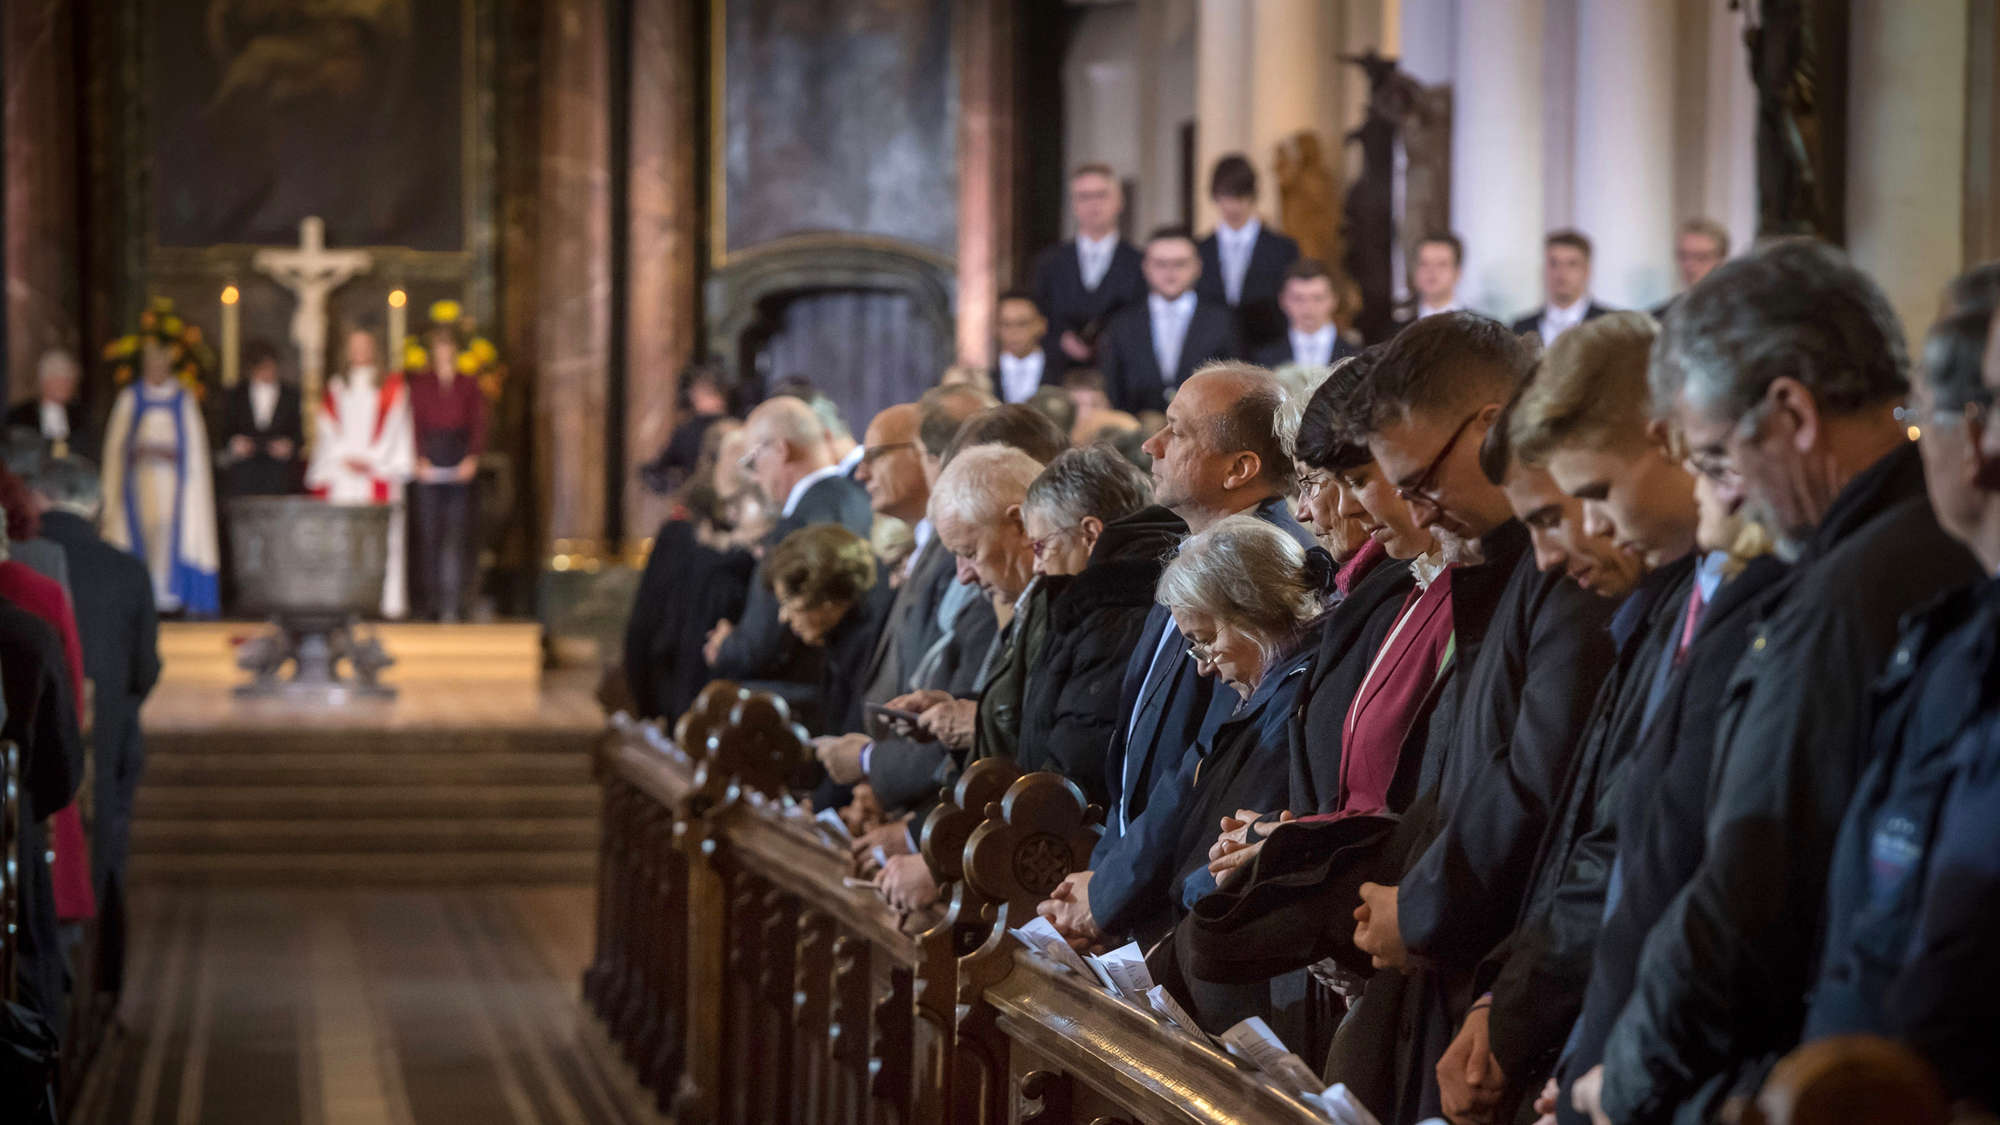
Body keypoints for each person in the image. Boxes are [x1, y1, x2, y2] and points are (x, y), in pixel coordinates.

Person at [1583, 240, 1982, 1125]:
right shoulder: (1926, 538)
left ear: (1793, 412)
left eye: (1721, 459)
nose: (1729, 497)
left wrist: (1624, 1079)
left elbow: (1752, 890)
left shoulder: (1847, 591)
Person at [1313, 312, 1617, 1125]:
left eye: (1420, 482)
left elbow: (1546, 787)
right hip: (1473, 966)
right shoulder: (1501, 562)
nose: (1414, 510)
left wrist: (1423, 908)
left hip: (1515, 978)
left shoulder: (1564, 565)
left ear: (1489, 426)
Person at [1429, 314, 1697, 1123]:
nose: (1556, 551)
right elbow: (1594, 838)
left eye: (1572, 505)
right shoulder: (1653, 603)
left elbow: (1654, 860)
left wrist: (1594, 1046)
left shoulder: (1658, 601)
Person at [1796, 290, 2000, 1110]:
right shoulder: (1957, 627)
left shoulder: (1874, 590)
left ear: (1974, 438)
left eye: (1927, 414)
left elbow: (1957, 934)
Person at [1037, 362, 1312, 947]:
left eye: (1177, 431)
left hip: (1186, 911)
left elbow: (1208, 762)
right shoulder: (1197, 549)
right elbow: (1139, 752)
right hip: (1138, 893)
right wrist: (1102, 875)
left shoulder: (1262, 568)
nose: (1151, 445)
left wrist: (1110, 892)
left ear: (1240, 468)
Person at [34, 455, 161, 1003]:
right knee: (105, 856)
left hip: (37, 751)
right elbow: (145, 668)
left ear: (40, 499)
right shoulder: (126, 569)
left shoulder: (27, 566)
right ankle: (105, 992)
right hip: (105, 739)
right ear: (96, 504)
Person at [1016, 444, 1164, 807]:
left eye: (1040, 546)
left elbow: (1082, 759)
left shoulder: (1115, 614)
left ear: (1089, 533)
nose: (1037, 567)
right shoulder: (1092, 603)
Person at [707, 395, 874, 707]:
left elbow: (764, 643)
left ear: (781, 450)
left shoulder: (798, 523)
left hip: (808, 699)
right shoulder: (859, 499)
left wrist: (726, 646)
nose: (756, 477)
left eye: (754, 463)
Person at [100, 336, 222, 617]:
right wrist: (137, 452)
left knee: (169, 531)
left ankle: (170, 596)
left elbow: (195, 448)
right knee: (145, 532)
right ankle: (143, 597)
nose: (155, 371)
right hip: (139, 483)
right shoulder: (130, 398)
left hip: (174, 485)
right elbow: (116, 447)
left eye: (160, 365)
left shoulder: (183, 398)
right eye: (150, 365)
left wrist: (171, 454)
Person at [305, 326, 415, 619]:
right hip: (342, 475)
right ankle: (341, 599)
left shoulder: (392, 387)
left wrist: (373, 459)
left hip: (377, 474)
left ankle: (386, 603)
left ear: (374, 349)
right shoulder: (337, 386)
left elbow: (397, 428)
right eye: (354, 345)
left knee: (380, 537)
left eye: (364, 345)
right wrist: (344, 456)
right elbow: (327, 427)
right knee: (342, 536)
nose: (359, 351)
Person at [766, 523, 894, 738]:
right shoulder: (842, 639)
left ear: (826, 598)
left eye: (789, 602)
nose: (784, 616)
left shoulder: (866, 646)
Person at [1100, 227, 1242, 415]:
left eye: (1180, 263)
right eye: (1160, 264)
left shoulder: (1222, 321)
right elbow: (1113, 388)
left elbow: (1234, 387)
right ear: (1146, 267)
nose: (1170, 272)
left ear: (1197, 266)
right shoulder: (1122, 323)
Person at [407, 321, 489, 621]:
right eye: (439, 347)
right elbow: (413, 422)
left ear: (454, 350)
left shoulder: (469, 383)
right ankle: (429, 602)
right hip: (430, 457)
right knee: (429, 534)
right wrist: (419, 458)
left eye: (448, 346)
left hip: (458, 456)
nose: (444, 352)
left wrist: (472, 457)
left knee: (457, 534)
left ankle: (455, 602)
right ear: (433, 352)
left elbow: (479, 423)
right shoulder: (421, 384)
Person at [1030, 163, 1146, 375]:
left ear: (1120, 201)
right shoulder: (1049, 263)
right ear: (1073, 204)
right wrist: (1061, 339)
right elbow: (1038, 315)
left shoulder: (1140, 262)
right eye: (1084, 196)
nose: (1093, 204)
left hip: (1121, 374)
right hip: (1059, 375)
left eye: (1101, 195)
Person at [1197, 154, 1302, 357]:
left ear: (1253, 196)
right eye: (1226, 196)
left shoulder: (1282, 248)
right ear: (1215, 196)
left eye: (1240, 197)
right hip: (1212, 354)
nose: (1233, 206)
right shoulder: (1200, 250)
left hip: (1268, 351)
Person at [219, 339, 304, 499]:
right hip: (244, 472)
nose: (267, 372)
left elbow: (299, 435)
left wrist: (288, 446)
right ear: (252, 368)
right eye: (262, 367)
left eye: (271, 367)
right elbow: (223, 430)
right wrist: (235, 444)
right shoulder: (236, 394)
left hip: (279, 473)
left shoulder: (290, 395)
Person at [1254, 259, 1360, 370]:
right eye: (1298, 298)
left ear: (1334, 300)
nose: (1308, 307)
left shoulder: (1356, 356)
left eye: (1318, 298)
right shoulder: (1263, 359)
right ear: (1282, 300)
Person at [1511, 230, 1611, 347]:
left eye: (1572, 264)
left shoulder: (1610, 327)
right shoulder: (1520, 329)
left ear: (1587, 271)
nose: (1561, 273)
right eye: (1553, 263)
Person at [8, 350, 92, 460]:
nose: (65, 385)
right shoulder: (20, 415)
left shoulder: (81, 415)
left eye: (69, 380)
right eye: (58, 379)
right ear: (44, 381)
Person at [1386, 233, 1466, 335]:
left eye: (1441, 264)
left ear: (1457, 273)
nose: (1431, 271)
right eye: (1424, 264)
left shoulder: (1475, 329)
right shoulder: (1395, 326)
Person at [1650, 217, 1730, 318]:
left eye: (1701, 257)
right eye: (1683, 256)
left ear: (1721, 261)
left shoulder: (1740, 315)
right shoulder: (1660, 316)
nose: (1689, 265)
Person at [992, 291, 1056, 404]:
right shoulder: (986, 377)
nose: (1013, 332)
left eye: (1022, 324)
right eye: (1006, 324)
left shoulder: (1062, 372)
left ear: (1041, 325)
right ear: (996, 328)